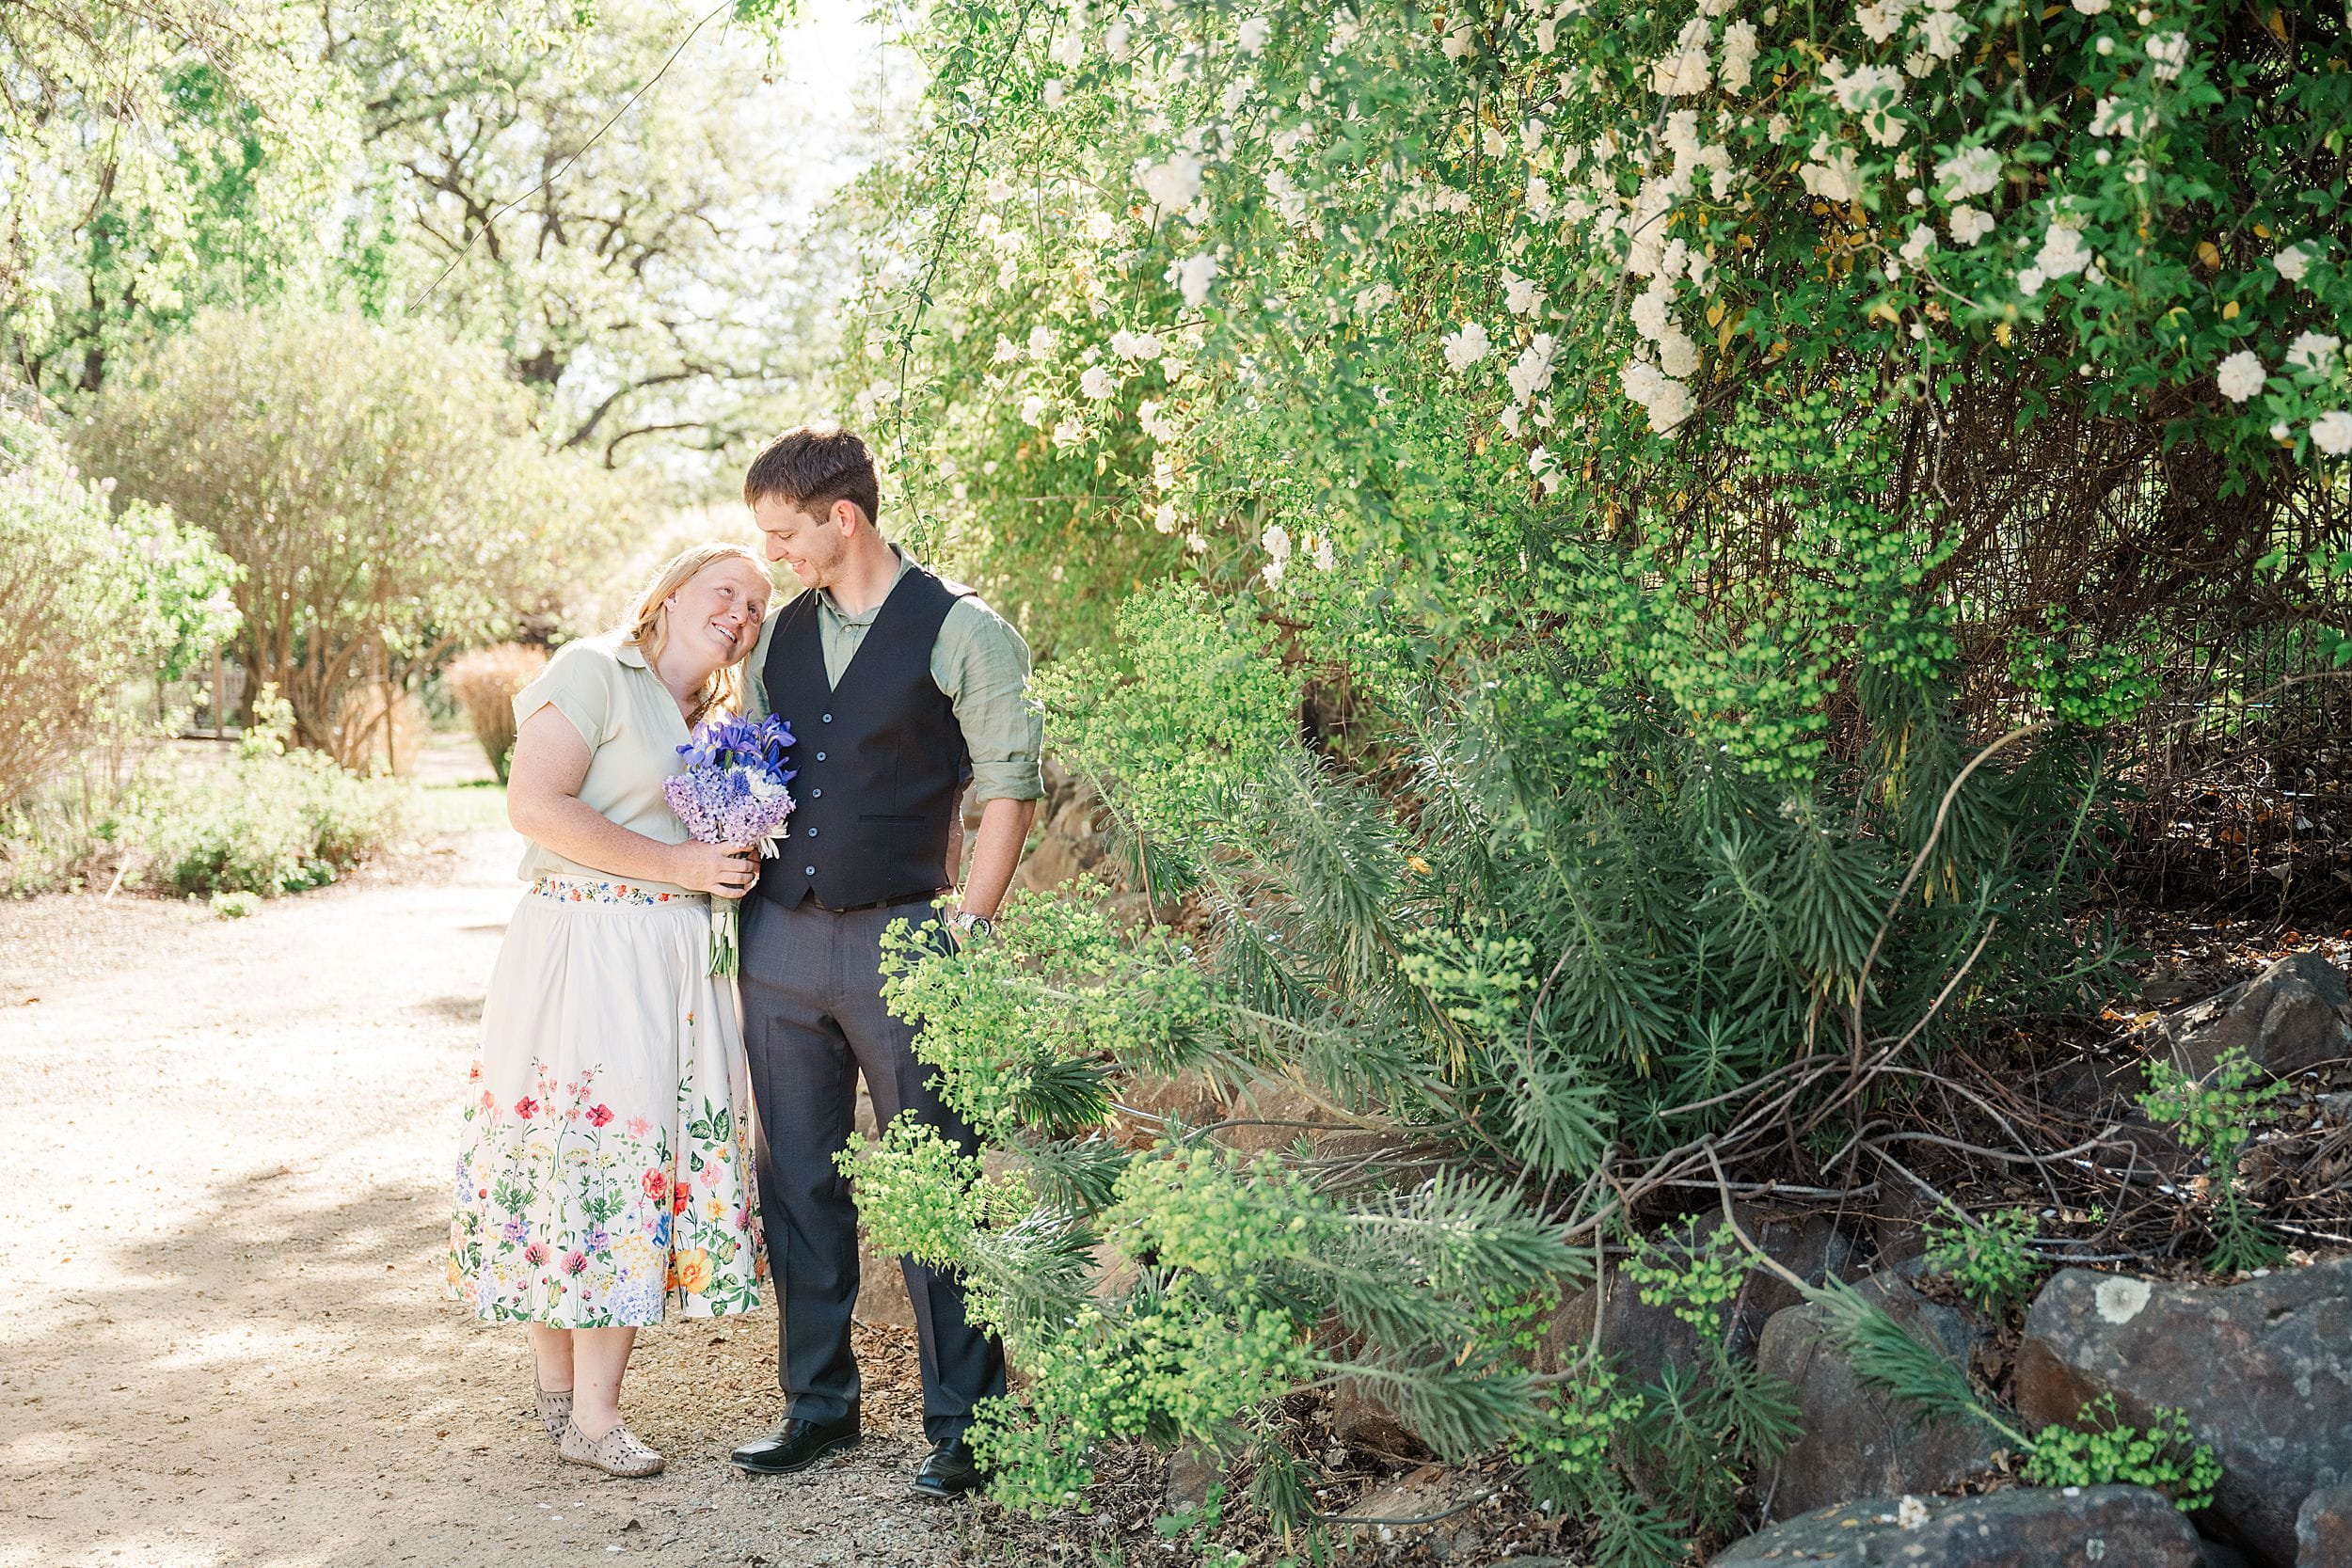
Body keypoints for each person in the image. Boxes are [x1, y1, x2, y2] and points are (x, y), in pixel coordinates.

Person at [726, 423, 1043, 1498]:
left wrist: (972, 921)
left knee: (936, 1182)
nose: (774, 555)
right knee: (799, 1179)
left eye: (784, 535)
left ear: (842, 517)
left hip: (910, 935)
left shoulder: (964, 630)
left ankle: (967, 1423)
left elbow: (1007, 786)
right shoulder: (777, 637)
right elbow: (752, 773)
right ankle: (818, 1405)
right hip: (778, 939)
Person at [449, 544, 774, 1479]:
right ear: (670, 593)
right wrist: (679, 865)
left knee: (623, 1160)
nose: (743, 614)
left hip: (676, 958)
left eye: (757, 606)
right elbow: (534, 804)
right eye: (727, 591)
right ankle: (587, 1412)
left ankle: (567, 1403)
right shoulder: (593, 668)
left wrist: (735, 853)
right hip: (588, 950)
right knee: (594, 1157)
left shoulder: (717, 718)